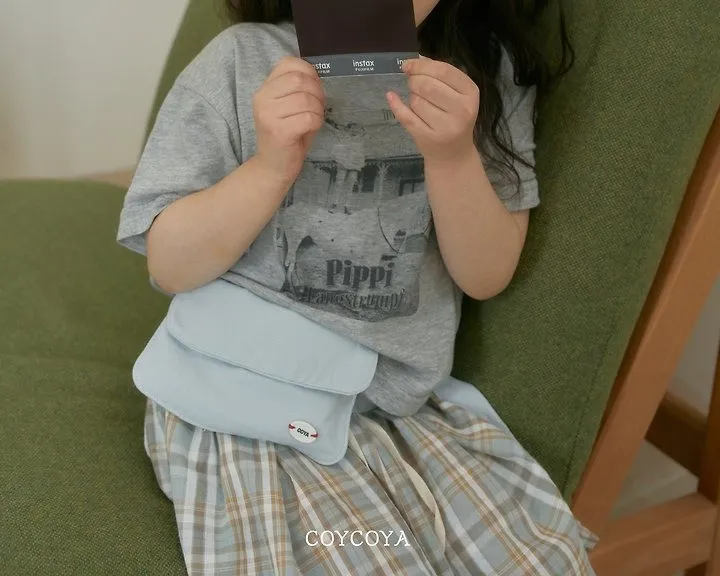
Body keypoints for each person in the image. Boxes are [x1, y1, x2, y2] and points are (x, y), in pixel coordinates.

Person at [117, 0, 596, 573]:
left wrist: (452, 158)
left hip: (394, 409)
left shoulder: (483, 77)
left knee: (538, 559)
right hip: (243, 398)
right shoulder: (242, 60)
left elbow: (486, 274)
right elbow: (170, 264)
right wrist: (269, 168)